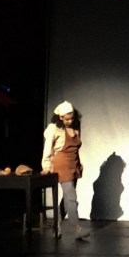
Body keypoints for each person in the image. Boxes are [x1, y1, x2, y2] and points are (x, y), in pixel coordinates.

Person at [41, 100, 90, 240]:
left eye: (72, 118)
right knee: (72, 198)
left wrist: (79, 164)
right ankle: (77, 228)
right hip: (62, 164)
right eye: (67, 119)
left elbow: (75, 147)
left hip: (74, 164)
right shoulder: (53, 128)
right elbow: (47, 148)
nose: (70, 121)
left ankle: (56, 226)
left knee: (67, 198)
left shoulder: (75, 126)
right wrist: (46, 166)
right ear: (60, 117)